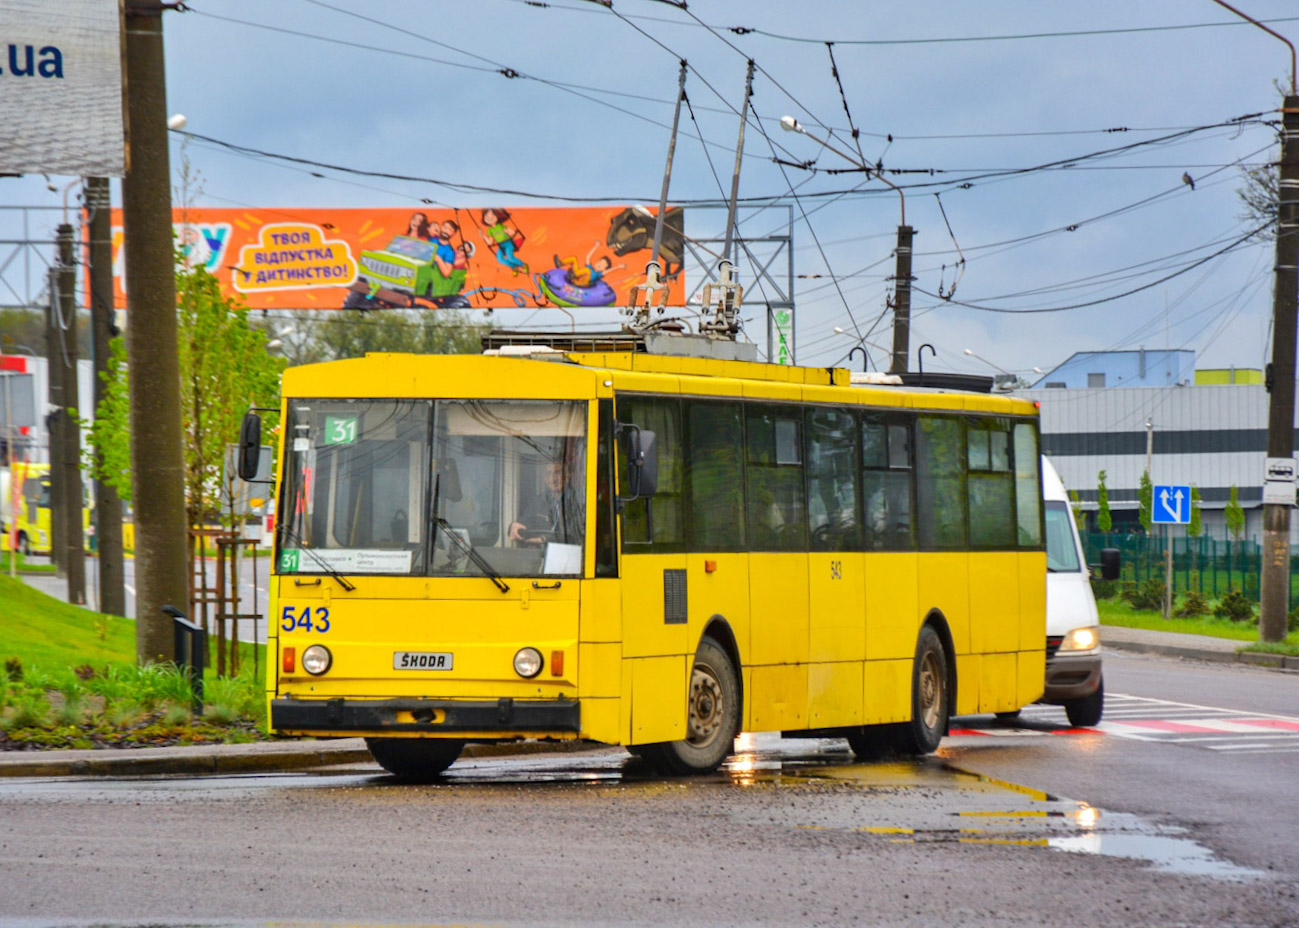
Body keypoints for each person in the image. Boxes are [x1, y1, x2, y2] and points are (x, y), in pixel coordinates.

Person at [509, 459, 583, 546]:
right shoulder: (537, 501)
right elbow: (525, 522)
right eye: (549, 474)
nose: (553, 478)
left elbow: (576, 533)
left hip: (569, 553)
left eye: (558, 473)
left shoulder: (578, 501)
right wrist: (514, 527)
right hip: (541, 554)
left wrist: (545, 539)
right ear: (544, 478)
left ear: (567, 476)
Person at [554, 240, 625, 287]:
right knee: (574, 259)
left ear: (604, 269)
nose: (600, 264)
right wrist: (595, 246)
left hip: (581, 282)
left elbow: (608, 271)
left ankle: (574, 274)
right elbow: (588, 257)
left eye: (603, 265)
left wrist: (618, 267)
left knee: (587, 271)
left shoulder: (598, 274)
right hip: (575, 277)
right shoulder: (590, 267)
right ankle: (560, 263)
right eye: (600, 262)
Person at [480, 208, 528, 275]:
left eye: (492, 215)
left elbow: (513, 233)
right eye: (486, 216)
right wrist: (483, 236)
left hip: (508, 243)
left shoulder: (500, 226)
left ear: (497, 216)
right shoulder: (490, 230)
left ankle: (523, 265)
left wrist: (507, 231)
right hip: (501, 245)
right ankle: (514, 267)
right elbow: (490, 242)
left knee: (510, 258)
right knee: (500, 260)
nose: (489, 217)